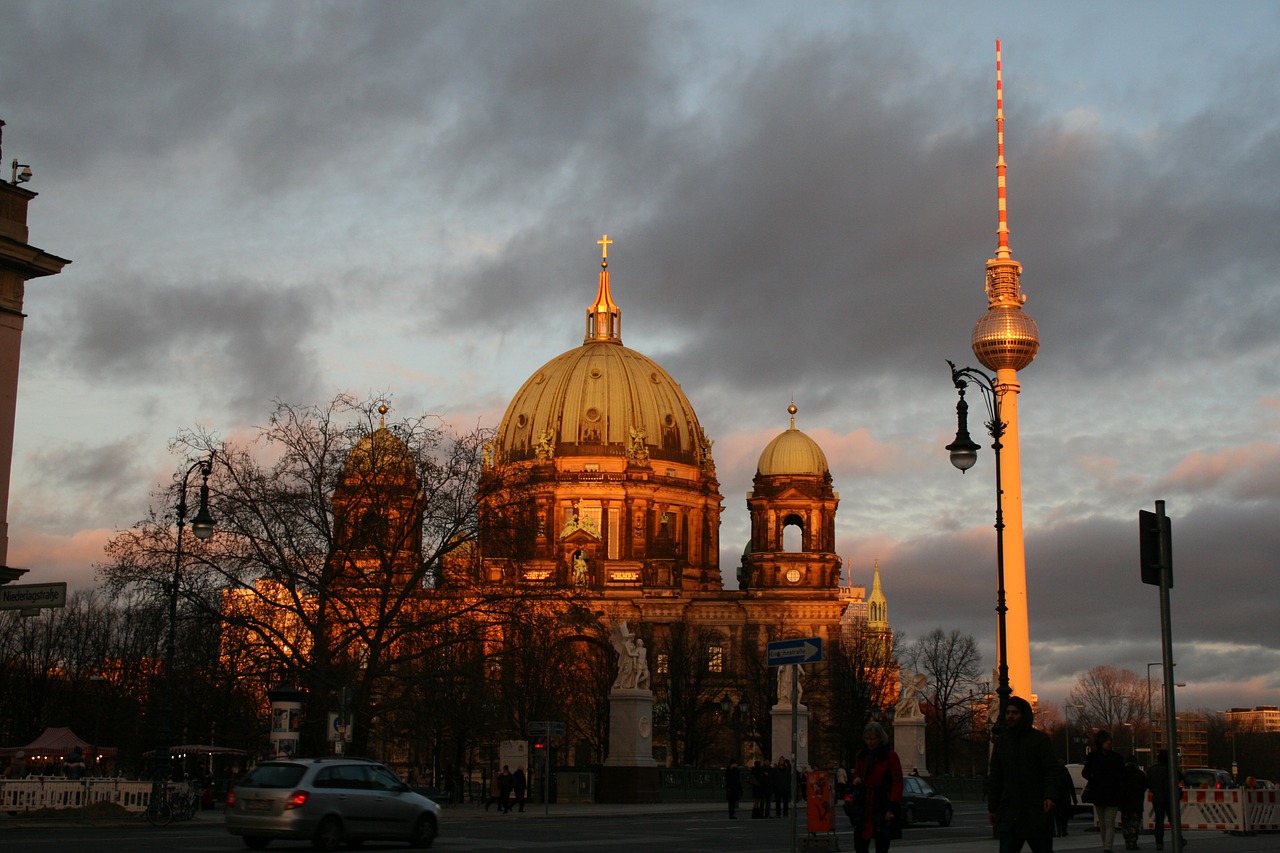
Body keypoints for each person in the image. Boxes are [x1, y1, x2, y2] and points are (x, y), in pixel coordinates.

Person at [987, 695, 1057, 853]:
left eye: (1015, 712)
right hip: (1011, 814)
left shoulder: (1040, 740)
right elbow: (996, 778)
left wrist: (1050, 796)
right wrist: (993, 807)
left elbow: (1051, 770)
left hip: (1036, 812)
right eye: (1008, 713)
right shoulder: (1002, 743)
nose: (1010, 716)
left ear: (1023, 715)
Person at [849, 721, 903, 853]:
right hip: (865, 802)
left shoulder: (890, 756)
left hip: (881, 801)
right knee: (860, 845)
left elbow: (897, 782)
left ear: (880, 738)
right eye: (867, 739)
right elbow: (857, 772)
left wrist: (892, 808)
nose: (870, 742)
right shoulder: (862, 755)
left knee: (882, 845)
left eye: (873, 739)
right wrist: (856, 778)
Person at [1083, 731, 1126, 853]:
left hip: (1108, 793)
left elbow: (1123, 775)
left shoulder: (1114, 757)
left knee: (1108, 822)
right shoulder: (1098, 757)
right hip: (1102, 793)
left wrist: (1095, 778)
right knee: (1103, 823)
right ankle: (1106, 845)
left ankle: (1107, 847)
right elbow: (1085, 772)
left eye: (1110, 741)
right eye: (1106, 741)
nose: (1109, 743)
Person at [1146, 750, 1183, 852]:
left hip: (1157, 798)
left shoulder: (1152, 770)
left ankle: (1159, 843)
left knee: (1159, 821)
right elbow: (1180, 777)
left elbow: (1148, 783)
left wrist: (1155, 790)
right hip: (1170, 797)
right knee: (1173, 820)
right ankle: (1179, 839)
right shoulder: (1171, 769)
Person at [1120, 752, 1149, 850]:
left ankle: (1127, 841)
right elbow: (1145, 786)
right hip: (1137, 803)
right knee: (1135, 823)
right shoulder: (1140, 774)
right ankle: (1133, 841)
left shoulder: (1122, 772)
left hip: (1124, 803)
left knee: (1126, 823)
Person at [1054, 758, 1078, 837]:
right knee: (1065, 815)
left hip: (1056, 798)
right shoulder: (1066, 773)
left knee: (1057, 816)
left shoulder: (1055, 773)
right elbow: (1071, 786)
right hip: (1065, 797)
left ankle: (1058, 830)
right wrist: (1074, 799)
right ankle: (1064, 830)